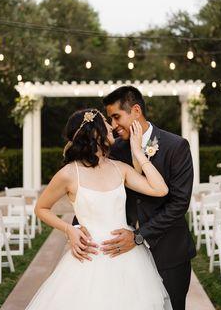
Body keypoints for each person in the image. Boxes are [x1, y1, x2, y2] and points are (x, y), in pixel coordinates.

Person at [25, 109, 172, 310]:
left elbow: (160, 189)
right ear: (95, 132)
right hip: (88, 258)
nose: (111, 126)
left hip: (127, 260)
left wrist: (138, 152)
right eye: (105, 121)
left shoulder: (120, 168)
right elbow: (41, 208)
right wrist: (70, 230)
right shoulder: (69, 174)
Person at [73, 87, 196, 310]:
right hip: (122, 257)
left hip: (168, 252)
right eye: (110, 118)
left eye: (116, 116)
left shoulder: (176, 146)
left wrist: (139, 236)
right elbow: (93, 186)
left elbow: (179, 204)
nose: (112, 125)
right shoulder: (114, 149)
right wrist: (76, 226)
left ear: (136, 110)